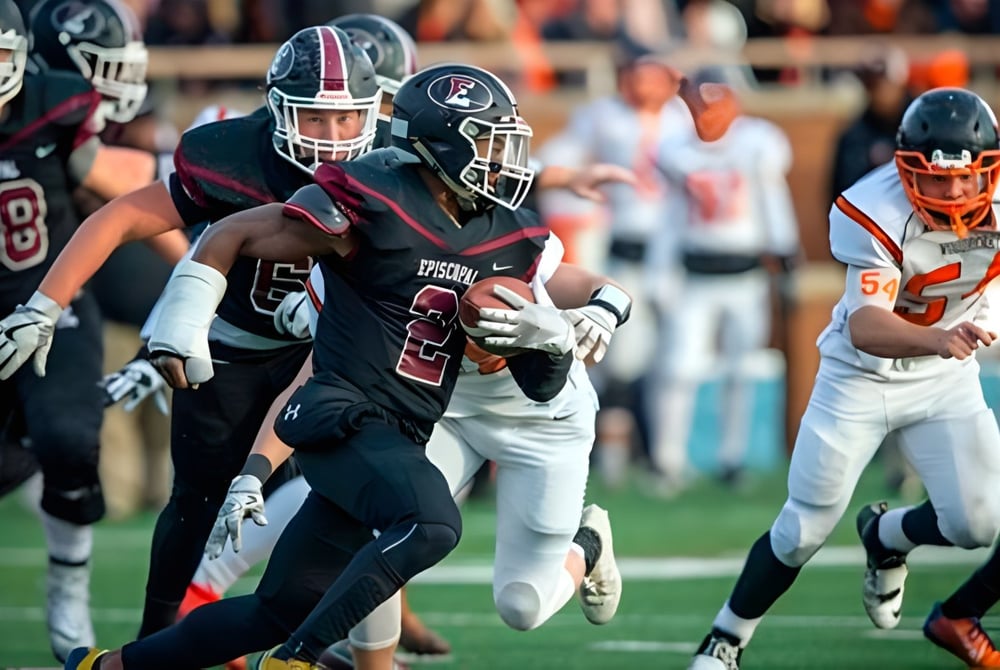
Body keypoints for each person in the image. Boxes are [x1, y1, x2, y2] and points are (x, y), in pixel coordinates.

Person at [58, 61, 624, 670]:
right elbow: (236, 239)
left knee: (278, 606)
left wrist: (554, 339)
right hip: (349, 417)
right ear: (439, 145)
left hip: (413, 424)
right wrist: (185, 316)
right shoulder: (366, 203)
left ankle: (107, 667)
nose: (501, 159)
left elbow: (545, 382)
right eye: (485, 141)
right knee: (430, 524)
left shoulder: (511, 235)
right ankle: (298, 659)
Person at [0, 22, 382, 649]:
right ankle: (155, 639)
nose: (334, 136)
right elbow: (122, 216)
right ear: (280, 108)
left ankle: (326, 644)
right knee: (197, 499)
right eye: (315, 117)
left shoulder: (390, 165)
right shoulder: (239, 157)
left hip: (327, 355)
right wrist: (46, 303)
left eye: (347, 118)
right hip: (231, 350)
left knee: (351, 493)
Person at [687, 86, 1000, 670]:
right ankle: (726, 637)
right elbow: (866, 326)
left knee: (977, 523)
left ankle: (887, 536)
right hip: (861, 378)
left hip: (944, 376)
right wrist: (939, 338)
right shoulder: (874, 207)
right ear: (907, 169)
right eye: (937, 179)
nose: (955, 191)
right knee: (802, 530)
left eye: (966, 177)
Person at [0, 0, 170, 661]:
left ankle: (68, 585)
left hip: (51, 304)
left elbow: (134, 192)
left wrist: (198, 274)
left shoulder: (51, 109)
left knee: (72, 439)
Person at [648, 70, 800, 488]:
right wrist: (660, 271)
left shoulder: (758, 142)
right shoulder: (675, 148)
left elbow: (772, 198)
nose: (708, 116)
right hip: (694, 274)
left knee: (740, 368)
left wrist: (785, 251)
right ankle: (667, 460)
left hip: (745, 275)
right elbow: (670, 215)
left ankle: (732, 457)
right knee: (678, 368)